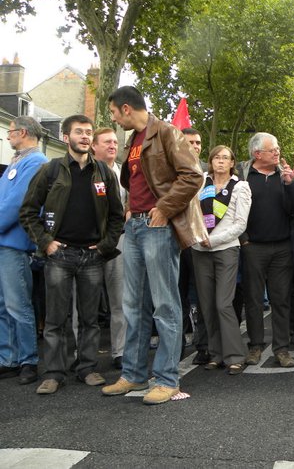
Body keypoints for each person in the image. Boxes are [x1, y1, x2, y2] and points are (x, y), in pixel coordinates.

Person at [102, 86, 206, 405]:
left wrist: (163, 208)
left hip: (158, 225)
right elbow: (136, 180)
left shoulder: (167, 133)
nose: (113, 120)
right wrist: (132, 208)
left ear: (127, 109)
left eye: (114, 113)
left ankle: (166, 379)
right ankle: (133, 375)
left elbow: (193, 176)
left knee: (165, 305)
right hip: (136, 226)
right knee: (133, 304)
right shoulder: (133, 139)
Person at [20, 115, 124, 395]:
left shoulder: (103, 172)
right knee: (55, 319)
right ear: (66, 137)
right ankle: (54, 373)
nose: (85, 136)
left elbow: (117, 215)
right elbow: (28, 211)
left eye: (89, 132)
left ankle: (87, 368)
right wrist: (46, 243)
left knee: (90, 319)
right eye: (79, 132)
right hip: (59, 255)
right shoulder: (51, 170)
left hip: (92, 256)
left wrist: (105, 246)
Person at [237, 132, 294, 368]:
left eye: (278, 148)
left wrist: (291, 185)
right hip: (253, 247)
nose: (277, 152)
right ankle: (255, 346)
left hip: (282, 247)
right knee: (252, 299)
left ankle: (281, 349)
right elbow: (233, 210)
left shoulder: (285, 176)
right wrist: (243, 239)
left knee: (281, 300)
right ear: (257, 153)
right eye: (272, 149)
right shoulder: (243, 176)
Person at [192, 146, 251, 375]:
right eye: (217, 157)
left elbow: (240, 224)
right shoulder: (200, 183)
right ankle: (216, 354)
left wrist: (214, 241)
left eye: (225, 158)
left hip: (225, 249)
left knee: (223, 304)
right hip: (200, 249)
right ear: (210, 161)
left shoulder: (240, 187)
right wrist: (198, 237)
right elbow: (191, 213)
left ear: (232, 162)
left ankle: (235, 356)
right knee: (206, 305)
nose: (221, 161)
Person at [0, 116, 48, 385]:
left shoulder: (36, 162)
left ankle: (28, 359)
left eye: (10, 132)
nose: (8, 137)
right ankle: (8, 358)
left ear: (24, 132)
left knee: (18, 304)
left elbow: (18, 203)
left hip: (15, 243)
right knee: (3, 305)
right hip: (4, 242)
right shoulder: (17, 162)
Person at [91, 127, 127, 370]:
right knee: (84, 304)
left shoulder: (124, 174)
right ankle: (80, 354)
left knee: (120, 301)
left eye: (115, 142)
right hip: (87, 244)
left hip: (118, 242)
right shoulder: (84, 172)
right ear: (94, 146)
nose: (112, 146)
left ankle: (120, 352)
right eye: (106, 142)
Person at [180, 127, 209, 365]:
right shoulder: (170, 171)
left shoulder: (209, 175)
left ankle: (203, 346)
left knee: (202, 297)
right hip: (177, 243)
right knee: (176, 297)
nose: (195, 146)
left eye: (198, 142)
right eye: (190, 141)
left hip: (201, 243)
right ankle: (176, 346)